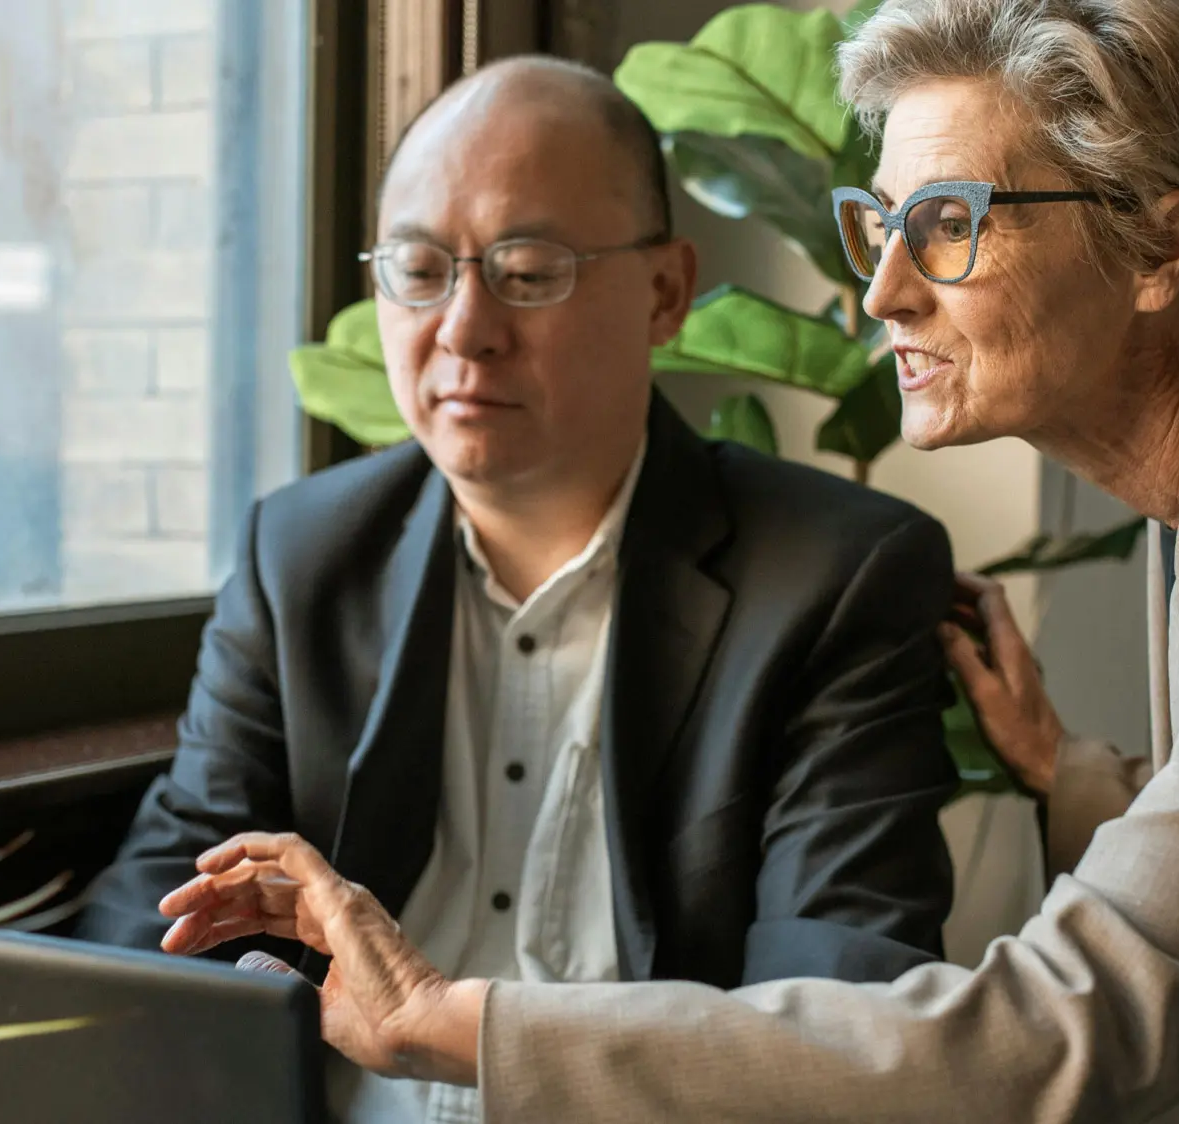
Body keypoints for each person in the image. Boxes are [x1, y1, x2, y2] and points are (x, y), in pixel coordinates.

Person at [154, 1, 1179, 1120]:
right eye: (875, 226)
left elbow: (1040, 1046)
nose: (881, 289)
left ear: (1157, 245)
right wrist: (1078, 776)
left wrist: (454, 1019)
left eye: (946, 225)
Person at [75, 55, 962, 1123]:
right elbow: (161, 912)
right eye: (418, 269)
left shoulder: (833, 577)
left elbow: (840, 1015)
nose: (463, 327)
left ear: (665, 293)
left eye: (528, 270)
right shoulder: (302, 556)